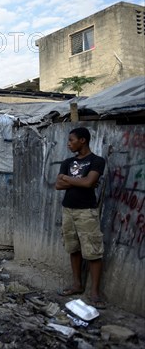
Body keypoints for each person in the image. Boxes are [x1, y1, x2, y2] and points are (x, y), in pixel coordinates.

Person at [55, 127, 106, 309]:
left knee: (93, 252)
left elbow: (89, 182)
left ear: (82, 140)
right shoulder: (68, 161)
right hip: (68, 210)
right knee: (73, 248)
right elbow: (58, 185)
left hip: (87, 212)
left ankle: (94, 293)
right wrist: (78, 181)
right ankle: (77, 284)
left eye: (71, 140)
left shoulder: (97, 161)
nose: (69, 143)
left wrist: (68, 179)